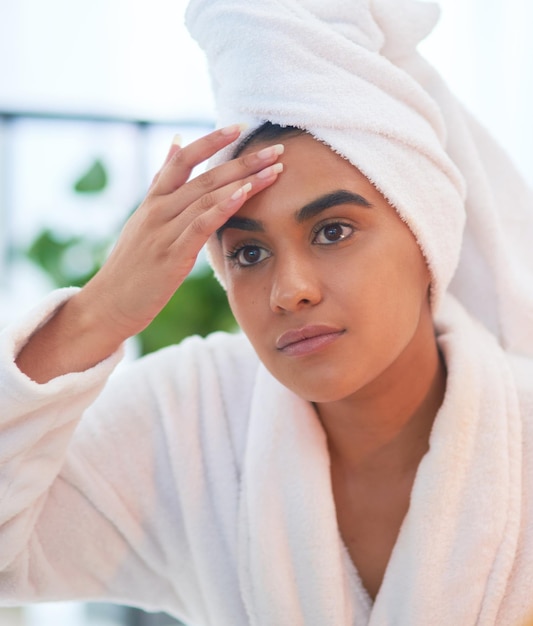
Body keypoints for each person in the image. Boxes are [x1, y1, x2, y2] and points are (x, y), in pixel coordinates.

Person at [1, 1, 533, 625]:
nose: (290, 291)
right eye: (249, 252)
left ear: (427, 238)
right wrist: (98, 314)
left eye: (334, 232)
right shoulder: (189, 422)